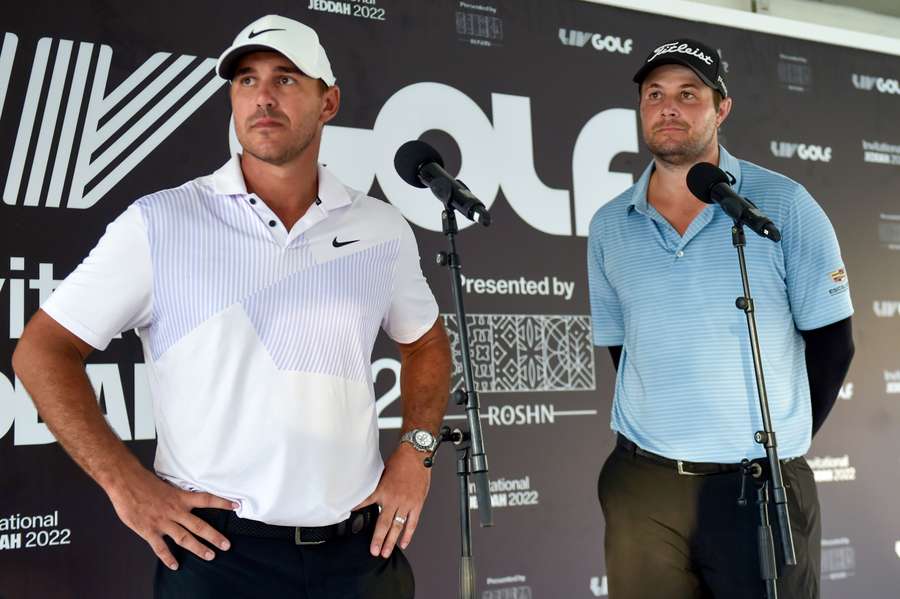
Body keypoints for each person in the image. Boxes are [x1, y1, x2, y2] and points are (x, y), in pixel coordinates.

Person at [12, 14, 451, 599]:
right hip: (219, 559)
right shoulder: (161, 221)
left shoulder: (381, 227)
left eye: (286, 78)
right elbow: (42, 351)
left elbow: (424, 340)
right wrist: (126, 485)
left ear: (329, 102)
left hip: (361, 554)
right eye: (245, 81)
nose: (262, 97)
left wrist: (417, 452)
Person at [587, 38, 854, 599]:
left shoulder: (782, 205)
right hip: (644, 490)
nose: (669, 107)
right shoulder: (611, 224)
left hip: (757, 486)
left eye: (688, 94)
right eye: (654, 94)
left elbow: (834, 345)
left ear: (720, 108)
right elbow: (623, 348)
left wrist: (779, 446)